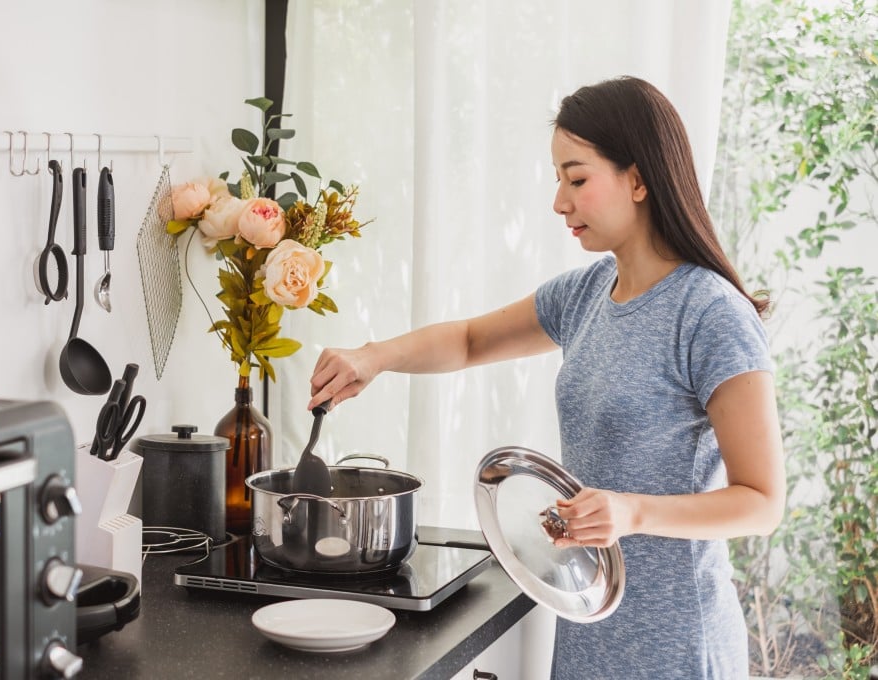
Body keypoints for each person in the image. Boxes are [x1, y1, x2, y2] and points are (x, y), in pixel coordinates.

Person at [307, 76, 785, 679]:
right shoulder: (587, 293)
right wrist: (372, 356)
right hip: (587, 620)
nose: (560, 202)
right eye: (559, 179)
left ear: (638, 179)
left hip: (676, 645)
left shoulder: (710, 313)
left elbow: (762, 502)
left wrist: (632, 512)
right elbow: (469, 339)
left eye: (577, 179)